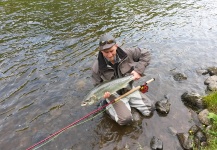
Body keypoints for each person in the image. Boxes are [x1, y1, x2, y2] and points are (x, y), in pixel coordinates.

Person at [91, 33, 153, 125]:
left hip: (129, 88)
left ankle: (125, 105)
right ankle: (107, 107)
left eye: (111, 51)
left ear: (116, 46)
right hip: (113, 93)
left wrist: (138, 71)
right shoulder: (96, 67)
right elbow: (97, 86)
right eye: (105, 52)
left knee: (149, 109)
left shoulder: (127, 53)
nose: (109, 55)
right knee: (125, 120)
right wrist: (104, 95)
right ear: (101, 51)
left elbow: (146, 54)